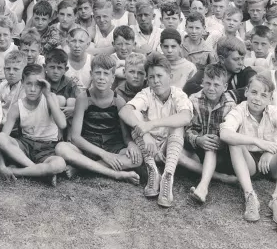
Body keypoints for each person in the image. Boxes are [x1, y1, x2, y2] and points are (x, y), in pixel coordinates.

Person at [220, 73, 277, 226]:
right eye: (254, 92)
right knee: (234, 142)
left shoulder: (273, 111)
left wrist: (271, 149)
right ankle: (250, 196)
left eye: (263, 95)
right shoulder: (240, 109)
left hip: (271, 163)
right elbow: (224, 133)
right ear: (246, 92)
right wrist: (257, 142)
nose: (257, 98)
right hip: (249, 163)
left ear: (270, 99)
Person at [119, 52, 192, 207]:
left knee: (177, 125)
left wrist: (151, 125)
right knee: (135, 116)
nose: (156, 81)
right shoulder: (146, 93)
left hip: (170, 147)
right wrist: (145, 133)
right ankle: (152, 170)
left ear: (170, 76)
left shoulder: (178, 94)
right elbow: (124, 111)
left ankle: (168, 176)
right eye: (151, 77)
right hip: (150, 147)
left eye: (159, 76)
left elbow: (186, 117)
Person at [55, 53, 142, 183]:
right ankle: (114, 174)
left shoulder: (119, 102)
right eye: (98, 73)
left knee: (137, 158)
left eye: (106, 74)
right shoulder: (84, 99)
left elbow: (125, 137)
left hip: (112, 147)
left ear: (113, 78)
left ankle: (82, 168)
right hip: (88, 147)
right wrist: (104, 155)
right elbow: (76, 137)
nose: (101, 78)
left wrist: (131, 144)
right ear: (91, 74)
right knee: (61, 148)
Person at [0, 63, 67, 183]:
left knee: (59, 165)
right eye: (29, 84)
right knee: (0, 137)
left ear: (44, 84)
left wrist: (47, 94)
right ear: (22, 83)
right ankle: (39, 171)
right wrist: (1, 165)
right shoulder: (17, 106)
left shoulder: (50, 98)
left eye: (38, 85)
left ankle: (16, 171)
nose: (33, 89)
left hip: (48, 148)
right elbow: (2, 139)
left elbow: (62, 124)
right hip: (25, 147)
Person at [179, 63, 237, 204]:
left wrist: (221, 141)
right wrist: (198, 139)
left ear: (225, 86)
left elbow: (233, 132)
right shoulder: (193, 100)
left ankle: (203, 187)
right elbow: (187, 129)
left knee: (211, 146)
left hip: (219, 153)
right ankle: (221, 177)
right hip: (197, 151)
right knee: (174, 153)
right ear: (202, 83)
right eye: (208, 83)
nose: (211, 88)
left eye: (216, 85)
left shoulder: (230, 104)